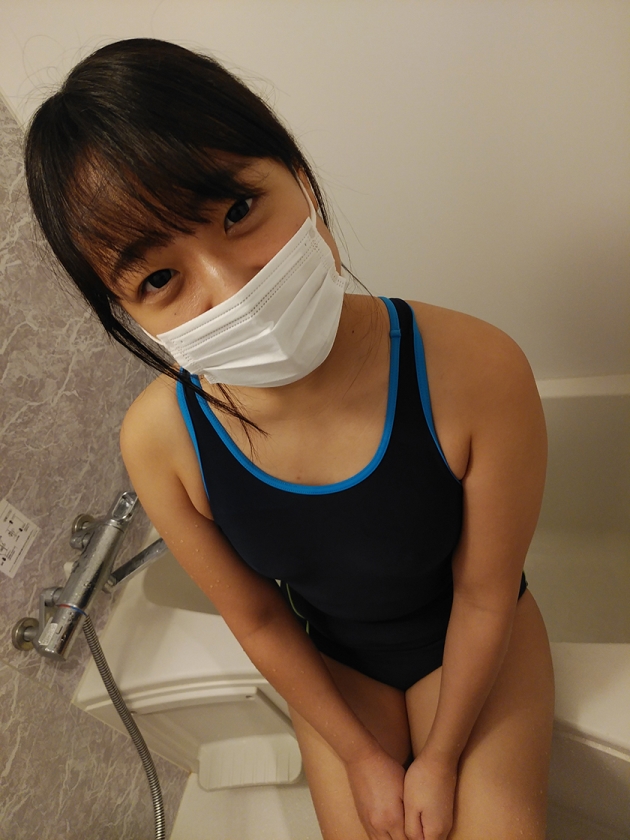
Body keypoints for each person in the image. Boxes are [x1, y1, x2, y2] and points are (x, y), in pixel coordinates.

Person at [24, 38, 554, 840]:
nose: (232, 287)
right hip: (338, 663)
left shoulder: (478, 368)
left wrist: (441, 759)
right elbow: (262, 621)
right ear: (129, 316)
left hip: (482, 640)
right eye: (159, 278)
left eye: (238, 211)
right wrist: (364, 760)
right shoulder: (162, 444)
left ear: (299, 176)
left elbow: (485, 594)